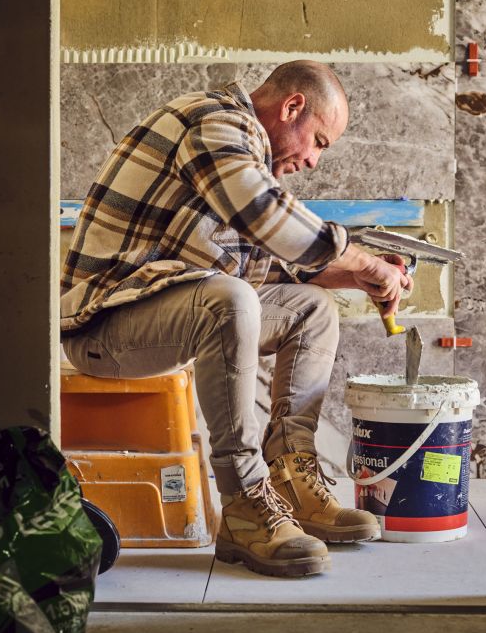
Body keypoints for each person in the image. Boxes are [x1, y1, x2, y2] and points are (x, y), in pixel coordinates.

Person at [60, 60, 412, 578]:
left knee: (310, 310)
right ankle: (245, 504)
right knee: (230, 299)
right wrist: (360, 258)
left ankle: (292, 479)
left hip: (165, 311)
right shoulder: (214, 122)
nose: (314, 161)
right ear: (292, 107)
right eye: (319, 140)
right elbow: (260, 213)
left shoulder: (241, 152)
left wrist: (361, 278)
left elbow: (281, 264)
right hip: (103, 326)